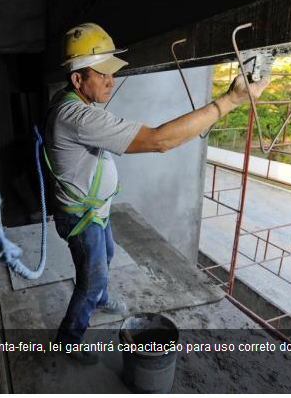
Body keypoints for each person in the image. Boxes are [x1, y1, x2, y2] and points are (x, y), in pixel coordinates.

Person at [45, 23, 268, 363]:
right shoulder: (76, 115)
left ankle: (100, 297)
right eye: (102, 74)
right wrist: (231, 100)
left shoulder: (74, 102)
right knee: (91, 277)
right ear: (78, 79)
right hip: (82, 217)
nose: (111, 81)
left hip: (95, 211)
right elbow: (160, 141)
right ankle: (69, 337)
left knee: (103, 259)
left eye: (111, 73)